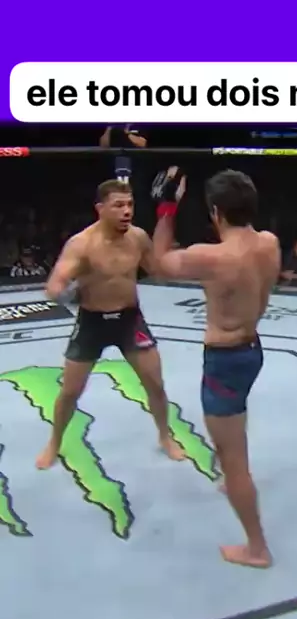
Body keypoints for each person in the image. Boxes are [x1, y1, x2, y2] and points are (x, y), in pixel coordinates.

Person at [152, 168, 281, 569]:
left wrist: (167, 208)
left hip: (224, 360)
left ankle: (257, 548)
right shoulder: (269, 243)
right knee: (235, 427)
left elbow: (158, 264)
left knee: (233, 456)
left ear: (215, 212)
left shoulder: (212, 257)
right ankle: (232, 479)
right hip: (252, 350)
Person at [36, 178, 185, 471]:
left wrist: (170, 242)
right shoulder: (82, 244)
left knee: (156, 384)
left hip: (130, 319)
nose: (126, 211)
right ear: (100, 209)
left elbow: (157, 271)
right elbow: (55, 284)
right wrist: (64, 293)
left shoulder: (138, 238)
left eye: (130, 204)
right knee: (70, 392)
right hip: (92, 323)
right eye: (118, 205)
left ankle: (165, 437)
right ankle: (54, 442)